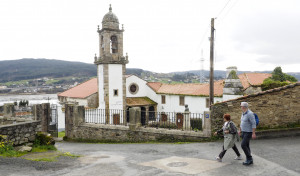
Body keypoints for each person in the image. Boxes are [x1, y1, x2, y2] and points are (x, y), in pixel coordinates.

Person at [238, 102, 256, 166]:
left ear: (244, 107)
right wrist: (239, 130)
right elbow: (241, 122)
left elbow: (253, 124)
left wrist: (253, 133)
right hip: (243, 132)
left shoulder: (250, 114)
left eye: (241, 106)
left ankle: (249, 158)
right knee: (247, 145)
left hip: (248, 132)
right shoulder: (243, 113)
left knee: (243, 145)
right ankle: (249, 159)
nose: (240, 107)